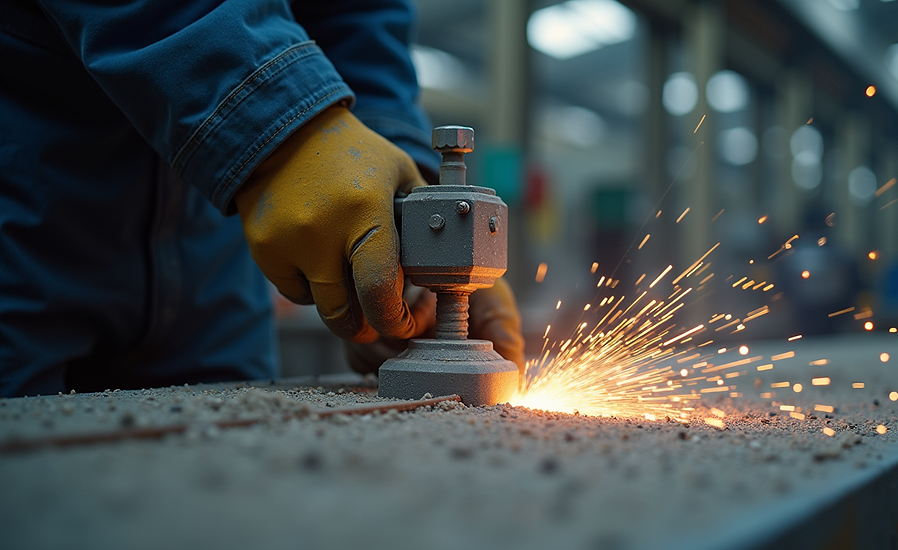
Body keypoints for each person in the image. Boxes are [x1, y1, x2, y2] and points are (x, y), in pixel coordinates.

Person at [0, 0, 523, 397]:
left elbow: (356, 14)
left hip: (214, 266)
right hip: (33, 224)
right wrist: (284, 127)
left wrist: (396, 194)